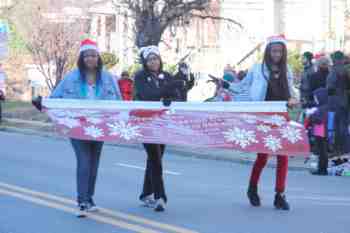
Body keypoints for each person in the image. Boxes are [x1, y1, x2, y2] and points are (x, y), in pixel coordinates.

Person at [32, 39, 122, 217]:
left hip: (99, 127)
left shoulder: (108, 78)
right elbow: (56, 97)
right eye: (87, 55)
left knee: (94, 164)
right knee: (84, 162)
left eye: (94, 55)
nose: (90, 58)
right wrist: (42, 103)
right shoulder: (71, 77)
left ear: (98, 58)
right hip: (78, 127)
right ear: (82, 58)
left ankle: (89, 198)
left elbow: (119, 102)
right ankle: (82, 201)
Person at [246, 35, 298, 211]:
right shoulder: (257, 69)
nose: (277, 54)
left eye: (280, 51)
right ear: (268, 52)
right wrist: (226, 85)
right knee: (262, 157)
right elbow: (244, 88)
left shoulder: (287, 70)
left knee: (283, 157)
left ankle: (280, 195)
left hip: (282, 117)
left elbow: (292, 93)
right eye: (274, 51)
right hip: (264, 118)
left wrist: (293, 99)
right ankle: (252, 188)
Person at [134, 45, 185, 212]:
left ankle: (145, 193)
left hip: (163, 122)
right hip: (145, 122)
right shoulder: (140, 77)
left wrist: (184, 81)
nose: (153, 62)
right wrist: (167, 90)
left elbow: (178, 95)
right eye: (150, 59)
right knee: (155, 159)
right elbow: (148, 95)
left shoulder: (166, 76)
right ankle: (160, 197)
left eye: (155, 58)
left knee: (155, 159)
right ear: (145, 62)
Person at [327, 51, 350, 156]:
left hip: (337, 100)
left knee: (339, 126)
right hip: (344, 100)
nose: (332, 60)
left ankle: (339, 150)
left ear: (337, 59)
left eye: (333, 58)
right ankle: (342, 149)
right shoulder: (345, 69)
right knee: (342, 126)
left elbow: (330, 87)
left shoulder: (336, 70)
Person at [306, 88, 329, 175]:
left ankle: (322, 169)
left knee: (322, 151)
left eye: (316, 98)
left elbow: (319, 120)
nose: (315, 100)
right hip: (320, 131)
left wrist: (311, 115)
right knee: (321, 150)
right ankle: (321, 168)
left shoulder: (323, 108)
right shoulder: (323, 107)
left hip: (321, 131)